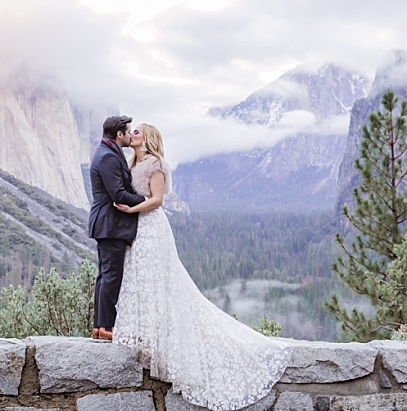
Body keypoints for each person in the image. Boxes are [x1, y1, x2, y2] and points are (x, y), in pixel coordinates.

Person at [113, 123, 293, 411]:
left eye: (136, 132)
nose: (130, 134)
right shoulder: (133, 161)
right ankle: (148, 336)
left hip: (152, 228)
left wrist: (130, 209)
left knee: (160, 281)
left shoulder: (156, 164)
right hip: (136, 229)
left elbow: (157, 201)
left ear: (147, 139)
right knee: (140, 280)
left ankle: (168, 342)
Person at [88, 114, 146, 341]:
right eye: (128, 132)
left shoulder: (109, 152)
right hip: (110, 224)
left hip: (108, 225)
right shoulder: (107, 158)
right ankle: (107, 327)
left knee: (105, 276)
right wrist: (147, 200)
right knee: (111, 277)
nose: (130, 136)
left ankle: (100, 327)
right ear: (118, 134)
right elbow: (118, 194)